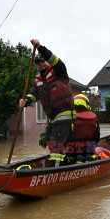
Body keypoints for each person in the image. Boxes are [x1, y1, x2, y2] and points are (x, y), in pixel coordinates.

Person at [19, 39, 75, 167]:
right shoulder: (37, 81)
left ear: (48, 62)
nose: (41, 65)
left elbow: (54, 60)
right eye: (38, 63)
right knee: (52, 143)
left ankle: (54, 172)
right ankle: (63, 165)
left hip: (64, 114)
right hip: (51, 118)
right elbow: (33, 94)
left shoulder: (60, 71)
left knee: (56, 146)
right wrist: (25, 101)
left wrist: (39, 47)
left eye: (43, 62)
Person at [67, 94, 100, 164]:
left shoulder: (69, 117)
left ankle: (77, 160)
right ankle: (89, 159)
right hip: (89, 150)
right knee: (91, 156)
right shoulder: (94, 117)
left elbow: (66, 136)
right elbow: (97, 137)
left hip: (73, 151)